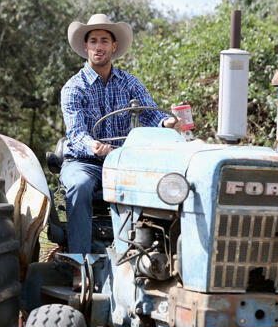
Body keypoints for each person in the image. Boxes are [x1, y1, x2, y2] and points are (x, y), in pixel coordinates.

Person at [60, 13, 185, 254]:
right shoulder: (73, 88)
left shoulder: (129, 83)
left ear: (113, 46)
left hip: (123, 162)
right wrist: (94, 146)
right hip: (84, 162)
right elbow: (76, 133)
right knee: (78, 186)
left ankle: (149, 254)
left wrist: (168, 122)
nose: (99, 46)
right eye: (94, 40)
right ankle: (79, 262)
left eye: (104, 41)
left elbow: (151, 114)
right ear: (86, 46)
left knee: (164, 184)